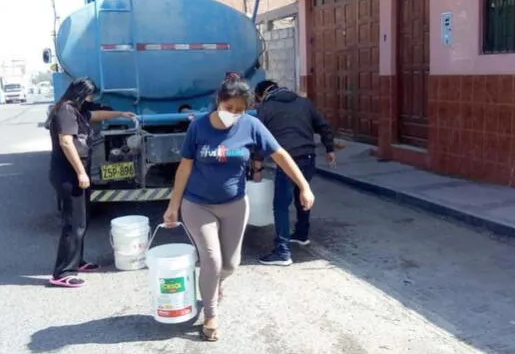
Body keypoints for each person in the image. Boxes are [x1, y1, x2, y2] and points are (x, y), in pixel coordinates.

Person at [163, 74, 315, 341]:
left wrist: (304, 185)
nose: (233, 114)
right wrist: (173, 205)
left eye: (240, 110)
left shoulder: (251, 125)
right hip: (198, 204)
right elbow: (185, 167)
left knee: (231, 265)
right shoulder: (199, 128)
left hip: (234, 204)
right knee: (211, 259)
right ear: (219, 102)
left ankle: (217, 283)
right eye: (229, 108)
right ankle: (210, 315)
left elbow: (280, 154)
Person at [46, 77, 136, 288]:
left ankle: (77, 261)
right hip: (68, 175)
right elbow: (67, 143)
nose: (91, 99)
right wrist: (81, 173)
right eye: (89, 95)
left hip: (76, 174)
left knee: (81, 221)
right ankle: (62, 272)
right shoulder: (65, 111)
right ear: (80, 94)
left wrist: (121, 114)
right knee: (73, 224)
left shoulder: (77, 110)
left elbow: (96, 115)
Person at [252, 80, 335, 266]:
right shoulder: (304, 103)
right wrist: (330, 149)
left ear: (261, 94)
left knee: (281, 205)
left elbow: (259, 137)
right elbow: (324, 125)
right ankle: (301, 234)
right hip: (308, 157)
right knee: (303, 195)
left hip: (288, 161)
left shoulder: (266, 107)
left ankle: (282, 251)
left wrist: (257, 166)